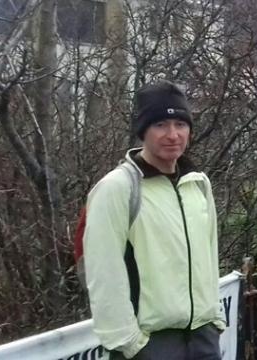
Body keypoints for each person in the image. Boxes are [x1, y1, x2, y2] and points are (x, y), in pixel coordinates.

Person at [83, 81, 224, 360]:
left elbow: (209, 257)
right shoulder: (118, 188)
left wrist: (214, 319)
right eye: (160, 124)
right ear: (143, 131)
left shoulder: (198, 184)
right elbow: (102, 272)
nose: (173, 135)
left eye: (180, 124)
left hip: (203, 339)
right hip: (150, 345)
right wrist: (130, 343)